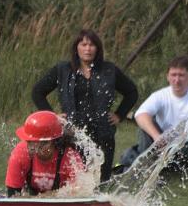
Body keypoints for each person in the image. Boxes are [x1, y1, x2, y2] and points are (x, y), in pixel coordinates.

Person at [31, 29, 138, 182]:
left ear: (98, 49)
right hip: (73, 133)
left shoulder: (109, 70)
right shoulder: (63, 69)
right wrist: (52, 116)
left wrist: (119, 115)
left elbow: (131, 91)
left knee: (101, 179)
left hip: (103, 133)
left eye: (92, 45)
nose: (88, 49)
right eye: (84, 44)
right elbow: (37, 91)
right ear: (77, 48)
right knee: (74, 177)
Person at [120, 56, 188, 191]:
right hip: (163, 149)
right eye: (173, 75)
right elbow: (140, 114)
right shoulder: (160, 95)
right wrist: (156, 136)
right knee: (145, 127)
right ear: (168, 76)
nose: (177, 80)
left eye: (181, 75)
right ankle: (150, 172)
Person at [5, 110, 84, 196]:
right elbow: (12, 196)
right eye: (29, 142)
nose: (32, 148)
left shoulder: (70, 158)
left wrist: (45, 197)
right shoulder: (20, 153)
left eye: (39, 143)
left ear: (53, 142)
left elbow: (80, 194)